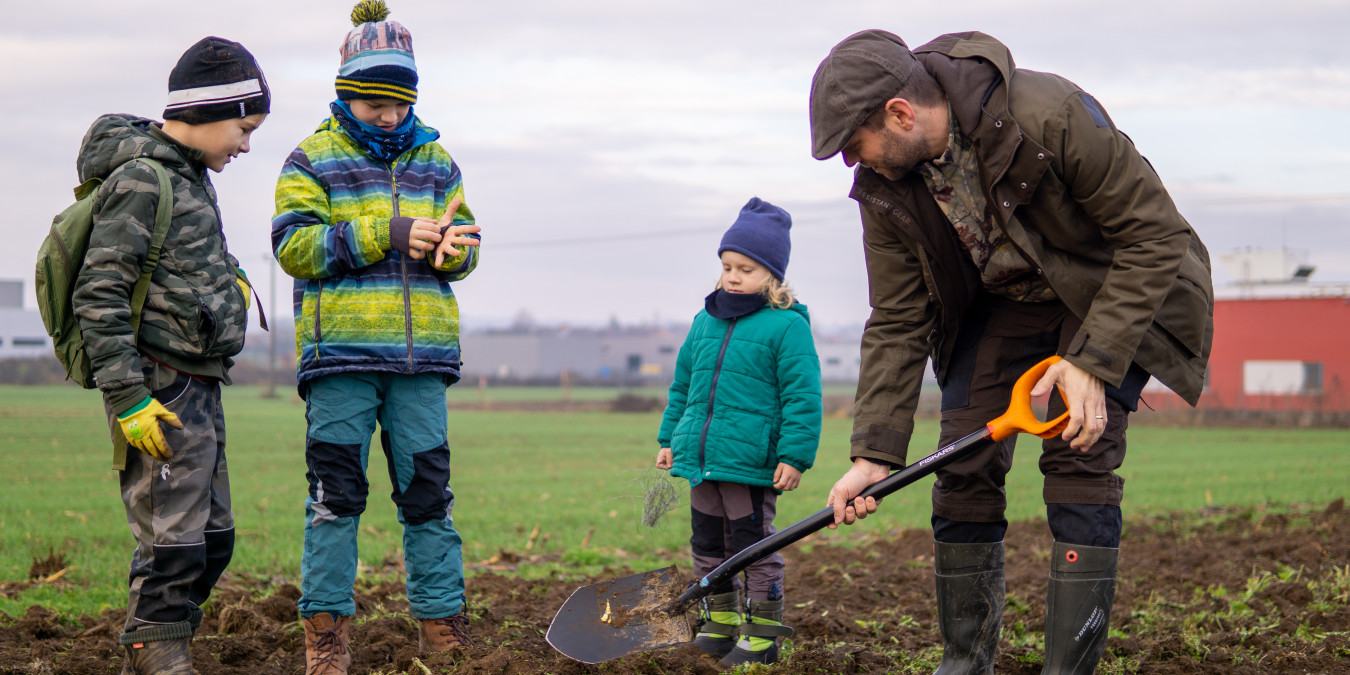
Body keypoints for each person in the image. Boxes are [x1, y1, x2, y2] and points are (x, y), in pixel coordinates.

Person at [808, 31, 1214, 674]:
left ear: (899, 113)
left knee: (1081, 449)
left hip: (1106, 289)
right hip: (1003, 306)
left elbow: (1153, 236)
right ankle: (965, 663)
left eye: (854, 146)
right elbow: (899, 317)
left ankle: (1067, 669)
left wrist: (1092, 362)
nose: (855, 164)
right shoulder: (887, 190)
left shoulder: (1047, 113)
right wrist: (873, 455)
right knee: (963, 462)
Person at [271, 2, 482, 673]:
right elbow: (294, 246)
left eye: (398, 102)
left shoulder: (438, 162)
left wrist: (452, 249)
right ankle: (326, 638)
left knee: (429, 499)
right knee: (335, 501)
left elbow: (469, 246)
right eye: (372, 102)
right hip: (341, 364)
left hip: (420, 366)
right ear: (346, 94)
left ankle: (442, 628)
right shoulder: (311, 159)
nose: (388, 114)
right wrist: (385, 233)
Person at [71, 36, 269, 674]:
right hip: (159, 387)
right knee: (173, 542)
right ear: (208, 112)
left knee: (214, 541)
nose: (245, 144)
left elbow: (177, 259)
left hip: (200, 385)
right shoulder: (142, 179)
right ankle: (156, 651)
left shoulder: (191, 178)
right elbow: (98, 295)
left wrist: (227, 278)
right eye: (243, 127)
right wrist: (129, 399)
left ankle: (151, 640)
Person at [655, 197, 823, 667]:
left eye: (745, 269)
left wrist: (794, 456)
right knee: (708, 547)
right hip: (702, 460)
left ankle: (763, 634)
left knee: (753, 548)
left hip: (750, 465)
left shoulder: (787, 327)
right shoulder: (703, 322)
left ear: (772, 274)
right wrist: (669, 439)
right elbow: (683, 387)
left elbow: (802, 398)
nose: (732, 276)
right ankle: (721, 624)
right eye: (727, 266)